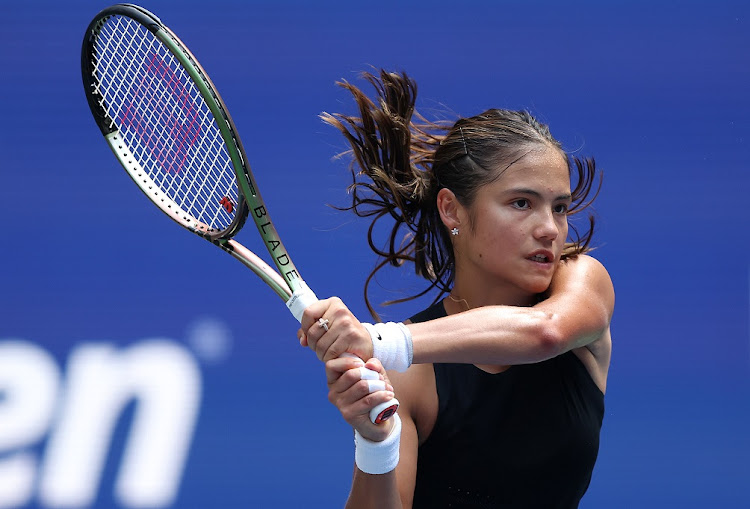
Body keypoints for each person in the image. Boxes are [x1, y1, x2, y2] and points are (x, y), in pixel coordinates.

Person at [298, 70, 614, 508]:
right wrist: (376, 443)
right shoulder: (409, 376)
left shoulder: (582, 282)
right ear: (452, 209)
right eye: (521, 203)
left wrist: (378, 340)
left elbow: (546, 331)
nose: (549, 229)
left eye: (559, 207)